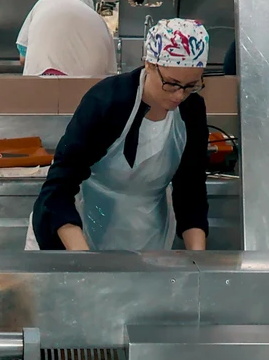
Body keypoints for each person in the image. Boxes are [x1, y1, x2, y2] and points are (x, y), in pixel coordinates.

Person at [31, 18, 212, 251]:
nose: (179, 96)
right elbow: (58, 189)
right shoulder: (107, 102)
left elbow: (191, 191)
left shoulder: (191, 111)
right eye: (171, 83)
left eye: (191, 86)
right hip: (79, 231)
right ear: (149, 64)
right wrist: (83, 261)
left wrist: (199, 263)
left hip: (147, 235)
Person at [15, 0, 116, 78]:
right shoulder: (98, 20)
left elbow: (23, 57)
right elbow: (111, 73)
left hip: (42, 78)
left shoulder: (46, 1)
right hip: (86, 87)